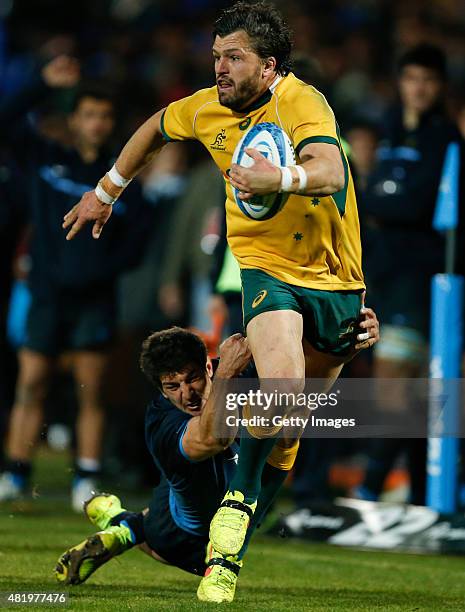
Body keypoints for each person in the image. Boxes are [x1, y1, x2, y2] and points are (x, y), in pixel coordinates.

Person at [61, 0, 376, 585]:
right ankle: (231, 524)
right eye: (215, 57)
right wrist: (106, 191)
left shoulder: (302, 102)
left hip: (335, 276)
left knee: (292, 425)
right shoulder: (205, 108)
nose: (220, 69)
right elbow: (154, 128)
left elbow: (330, 170)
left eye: (234, 57)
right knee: (284, 392)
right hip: (264, 267)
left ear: (269, 65)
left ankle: (175, 516)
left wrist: (276, 177)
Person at [55, 318, 379, 603]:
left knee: (291, 407)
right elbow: (214, 437)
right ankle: (121, 526)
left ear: (207, 366)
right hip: (186, 537)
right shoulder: (160, 422)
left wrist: (347, 343)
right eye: (172, 386)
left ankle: (120, 524)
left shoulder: (237, 371)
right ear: (161, 390)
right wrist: (224, 375)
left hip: (224, 499)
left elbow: (306, 376)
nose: (187, 394)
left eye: (193, 378)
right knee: (152, 533)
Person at [0, 56, 152, 510]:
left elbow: (137, 245)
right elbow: (5, 122)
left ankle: (86, 476)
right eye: (88, 114)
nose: (97, 123)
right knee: (31, 384)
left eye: (104, 116)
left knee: (91, 390)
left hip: (94, 299)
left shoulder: (122, 181)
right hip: (46, 294)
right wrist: (41, 85)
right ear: (74, 120)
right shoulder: (47, 161)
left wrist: (95, 272)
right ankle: (15, 472)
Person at [355, 44, 462, 504]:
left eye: (428, 80)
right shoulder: (389, 129)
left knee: (396, 388)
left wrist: (376, 199)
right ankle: (419, 496)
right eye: (411, 78)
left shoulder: (445, 139)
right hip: (383, 273)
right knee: (412, 395)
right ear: (400, 83)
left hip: (421, 278)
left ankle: (369, 488)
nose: (419, 88)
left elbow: (409, 203)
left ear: (440, 87)